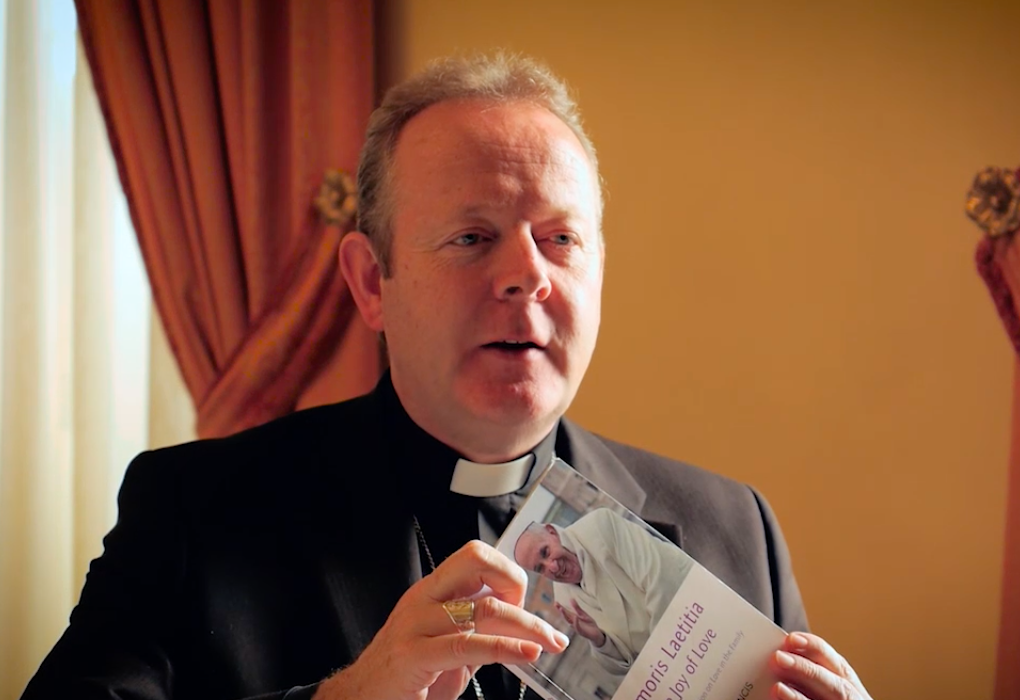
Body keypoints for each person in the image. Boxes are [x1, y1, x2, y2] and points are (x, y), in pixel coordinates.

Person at [21, 53, 875, 700]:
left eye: (561, 240)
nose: (528, 276)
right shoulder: (194, 511)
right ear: (370, 283)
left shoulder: (735, 532)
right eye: (472, 237)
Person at [513, 509, 694, 681]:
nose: (552, 567)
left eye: (546, 552)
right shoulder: (564, 600)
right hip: (670, 664)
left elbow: (661, 579)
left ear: (552, 532)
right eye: (541, 568)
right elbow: (623, 665)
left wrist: (663, 657)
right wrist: (599, 640)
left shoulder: (599, 525)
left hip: (692, 611)